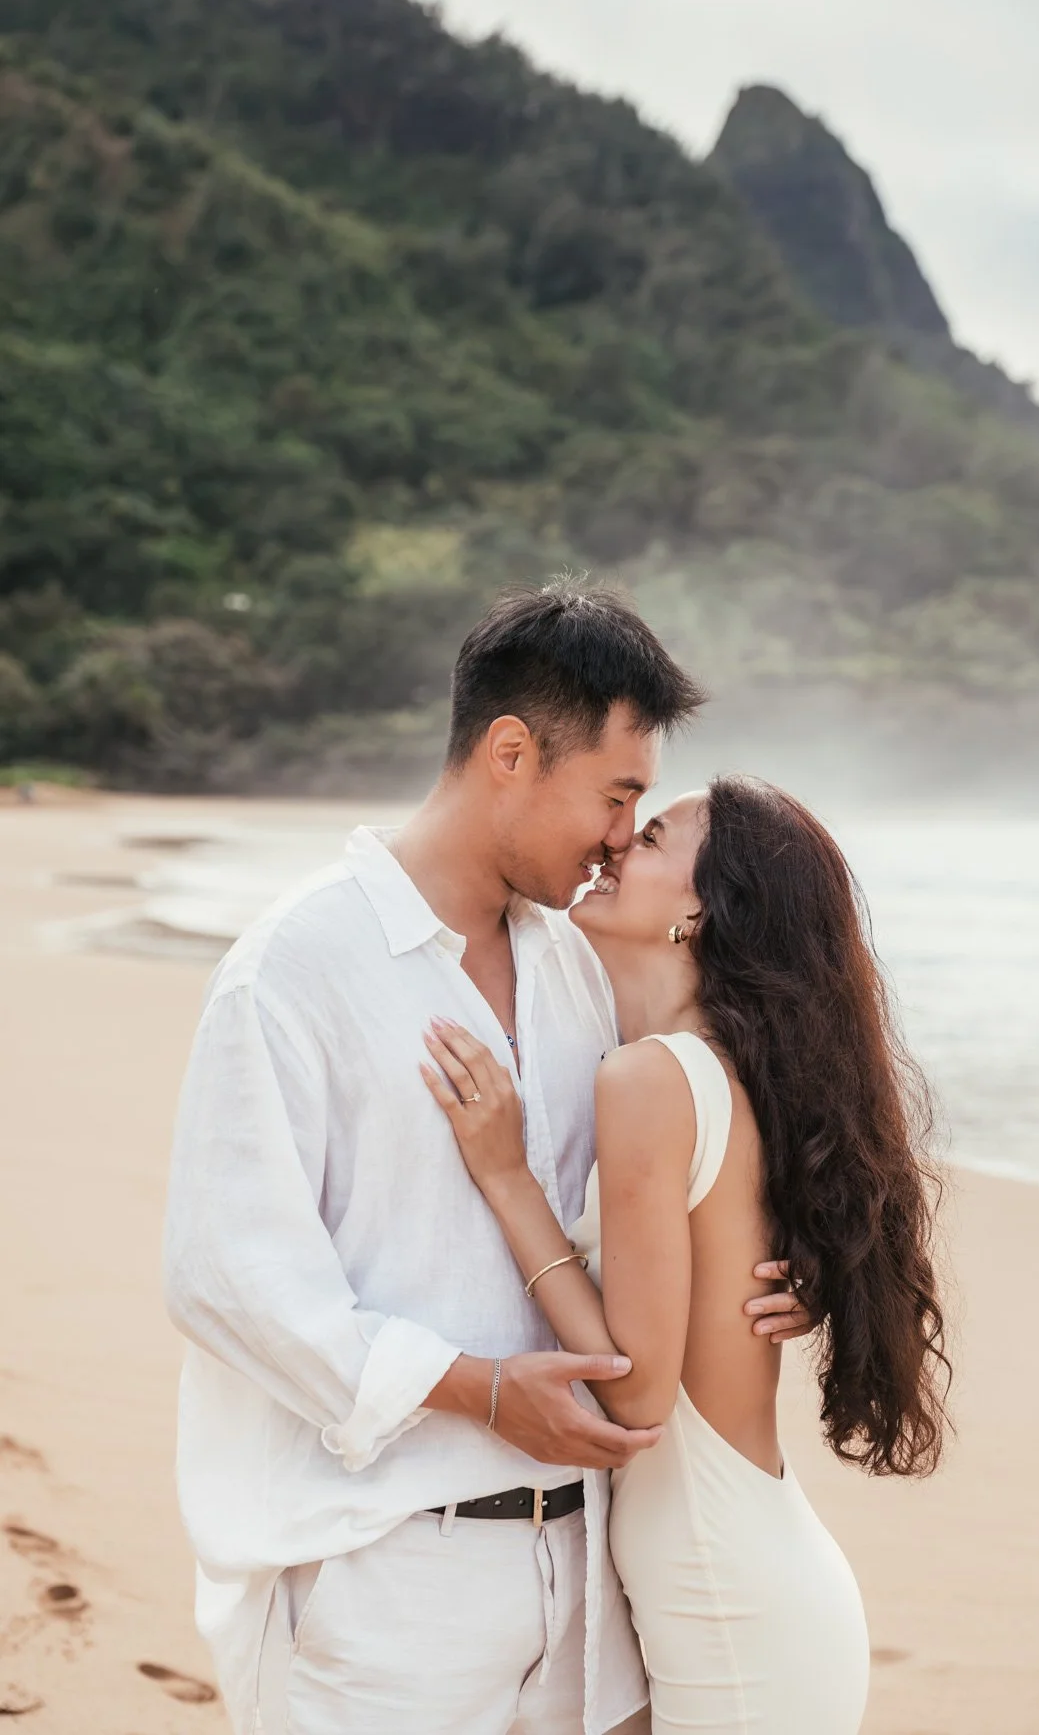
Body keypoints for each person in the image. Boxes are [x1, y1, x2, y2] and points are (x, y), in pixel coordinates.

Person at [163, 581, 813, 1735]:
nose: (624, 835)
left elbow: (690, 1148)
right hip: (383, 1582)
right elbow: (228, 1279)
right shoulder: (294, 971)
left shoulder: (578, 970)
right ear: (511, 753)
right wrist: (480, 1392)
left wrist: (780, 1267)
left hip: (587, 1586)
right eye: (616, 795)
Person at [424, 778, 951, 1734]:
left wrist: (507, 1181)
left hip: (732, 1610)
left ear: (701, 911)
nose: (617, 842)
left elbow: (634, 1394)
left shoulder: (655, 1078)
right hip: (744, 1582)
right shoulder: (717, 1073)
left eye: (654, 836)